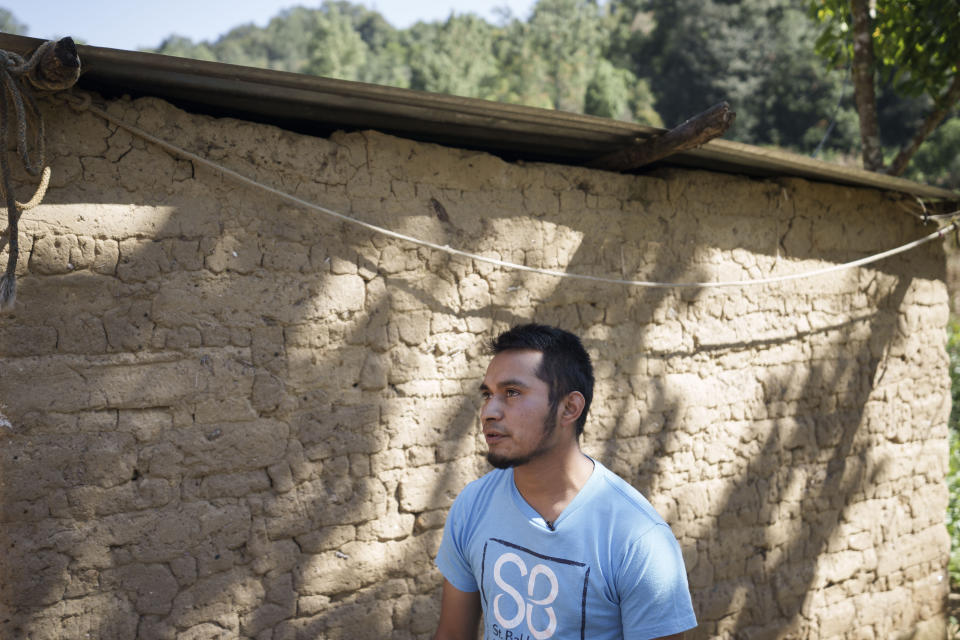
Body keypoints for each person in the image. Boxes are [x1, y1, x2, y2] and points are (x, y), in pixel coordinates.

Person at [433, 324, 697, 640]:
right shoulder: (473, 505)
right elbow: (452, 634)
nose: (489, 410)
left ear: (569, 407)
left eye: (512, 393)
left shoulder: (637, 539)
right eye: (487, 394)